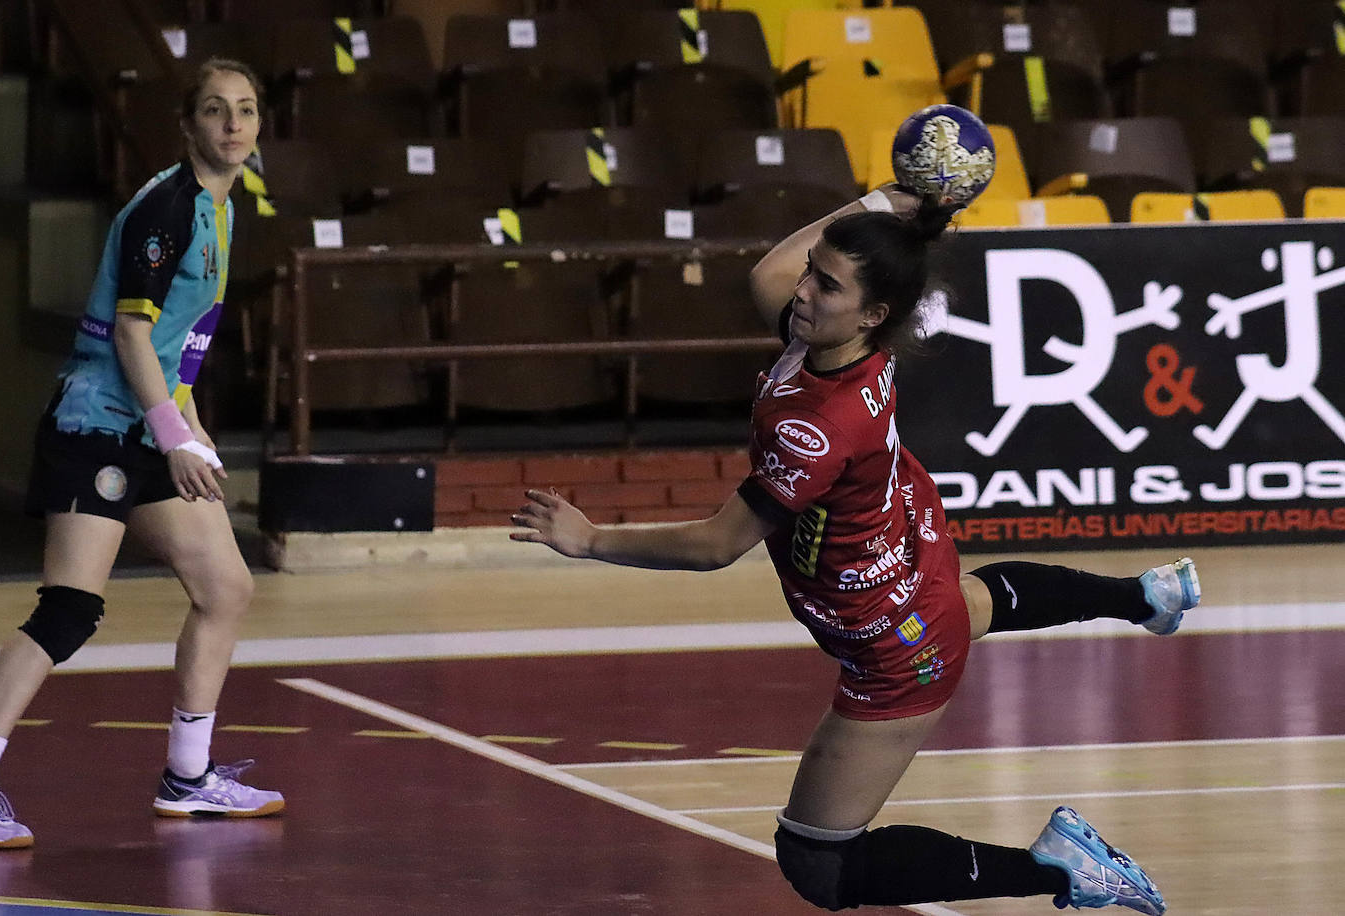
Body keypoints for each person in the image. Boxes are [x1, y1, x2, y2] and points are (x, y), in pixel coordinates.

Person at [509, 180, 1200, 913]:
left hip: (891, 644)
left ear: (873, 313)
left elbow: (717, 544)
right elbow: (766, 276)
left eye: (826, 284)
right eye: (813, 268)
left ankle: (1061, 870)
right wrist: (887, 201)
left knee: (818, 861)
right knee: (969, 602)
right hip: (904, 551)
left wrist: (590, 542)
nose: (803, 291)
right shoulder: (848, 344)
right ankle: (1143, 597)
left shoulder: (816, 427)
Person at [0, 58, 284, 850]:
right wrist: (174, 436)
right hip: (96, 429)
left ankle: (188, 778)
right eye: (216, 110)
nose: (233, 124)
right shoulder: (168, 208)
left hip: (151, 422)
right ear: (189, 126)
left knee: (226, 587)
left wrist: (191, 426)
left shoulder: (223, 206)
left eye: (245, 110)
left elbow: (178, 346)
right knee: (71, 609)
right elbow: (132, 331)